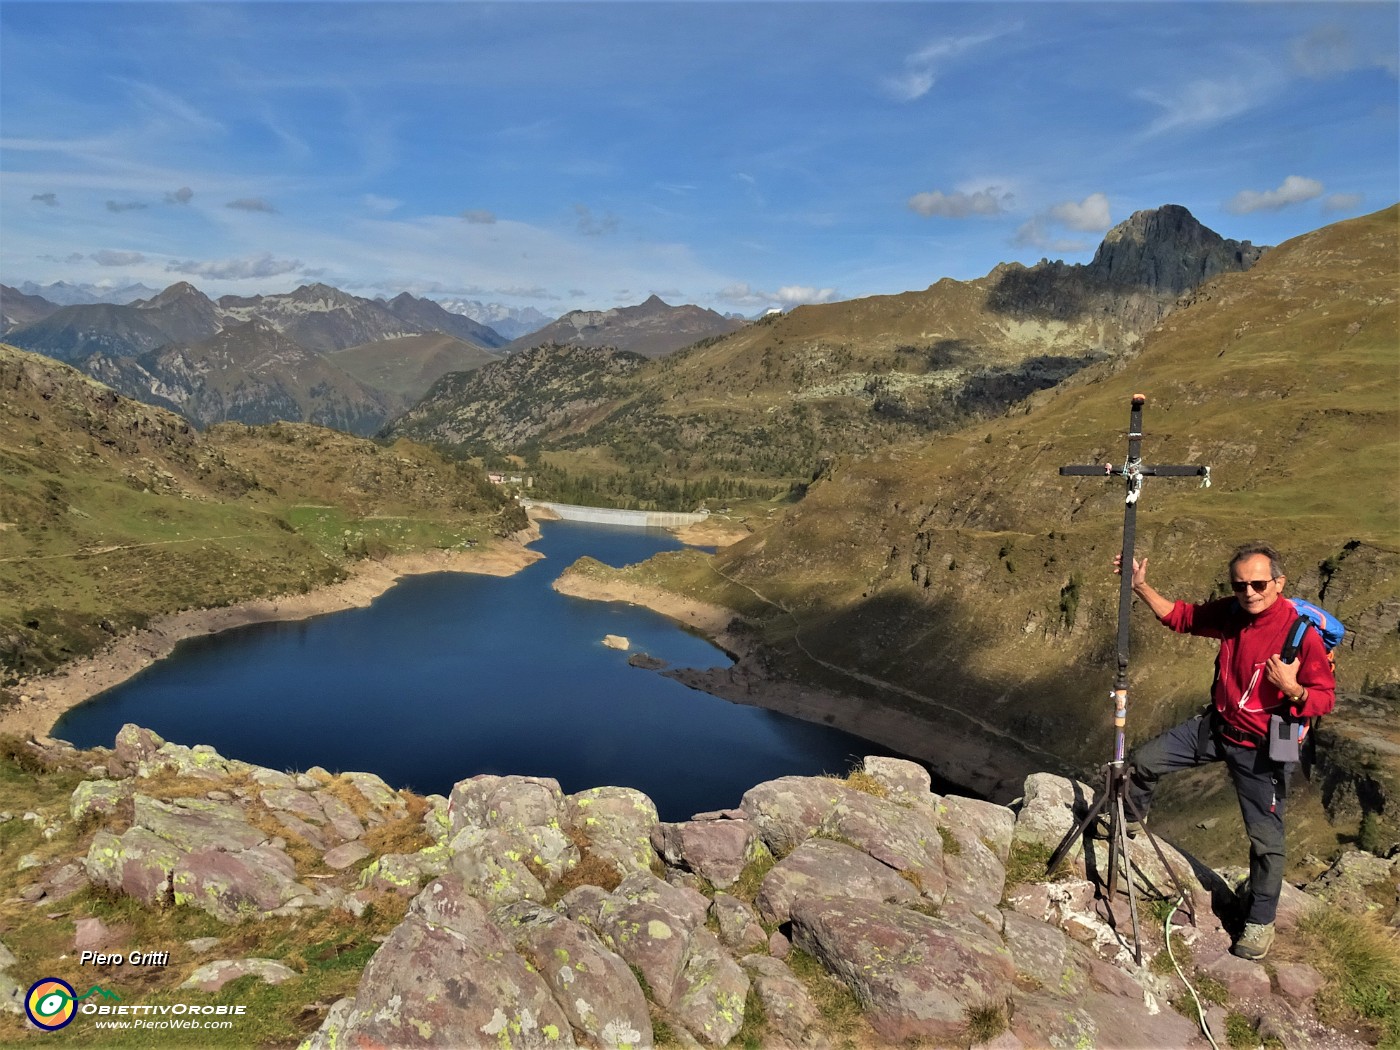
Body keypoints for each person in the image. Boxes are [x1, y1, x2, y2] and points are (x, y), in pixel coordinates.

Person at [1113, 542, 1336, 961]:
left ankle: (1260, 922)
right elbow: (1183, 618)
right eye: (1240, 585)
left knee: (1266, 839)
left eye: (1258, 584)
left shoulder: (1299, 634)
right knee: (1143, 762)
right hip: (1217, 728)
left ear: (1279, 583)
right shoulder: (1233, 613)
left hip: (1264, 748)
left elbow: (1324, 699)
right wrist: (1140, 587)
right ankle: (1126, 819)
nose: (1249, 592)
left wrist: (1293, 689)